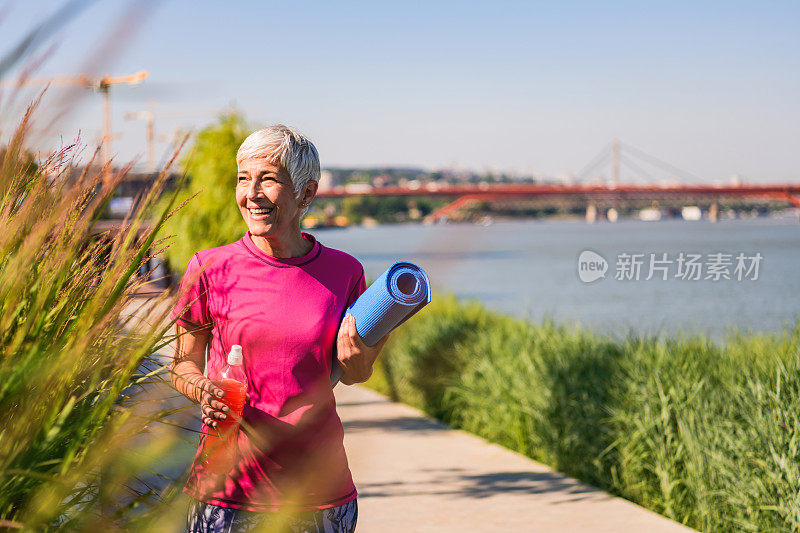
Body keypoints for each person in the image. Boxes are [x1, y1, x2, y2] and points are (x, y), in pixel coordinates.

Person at [170, 125, 389, 532]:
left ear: (306, 193)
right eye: (243, 179)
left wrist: (359, 359)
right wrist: (205, 390)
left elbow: (356, 375)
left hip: (318, 492)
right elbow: (181, 364)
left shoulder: (344, 272)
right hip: (227, 491)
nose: (251, 193)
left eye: (268, 179)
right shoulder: (209, 267)